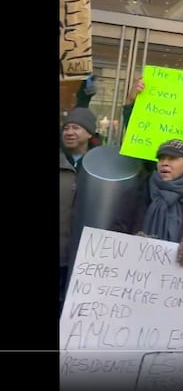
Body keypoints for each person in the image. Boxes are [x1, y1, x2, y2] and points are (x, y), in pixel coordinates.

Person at [110, 139, 183, 265]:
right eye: (161, 159)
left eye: (172, 159)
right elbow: (116, 230)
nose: (165, 163)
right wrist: (133, 241)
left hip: (179, 275)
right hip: (136, 270)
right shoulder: (138, 191)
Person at [60, 107, 98, 312]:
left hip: (87, 258)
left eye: (76, 127)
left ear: (90, 133)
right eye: (66, 127)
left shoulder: (101, 167)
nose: (69, 132)